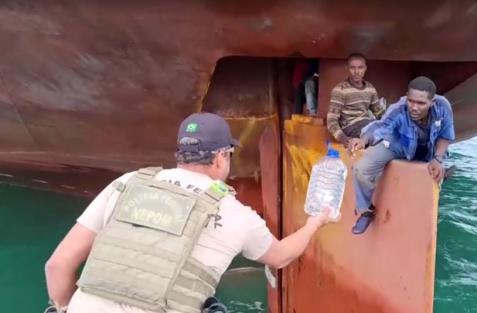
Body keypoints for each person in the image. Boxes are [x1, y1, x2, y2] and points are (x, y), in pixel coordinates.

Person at [44, 112, 337, 313]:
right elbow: (281, 255)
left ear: (179, 155)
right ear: (222, 157)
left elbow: (56, 266)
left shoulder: (128, 182)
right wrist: (314, 224)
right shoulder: (236, 213)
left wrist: (67, 308)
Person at [348, 76, 455, 235]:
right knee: (361, 168)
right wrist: (364, 140)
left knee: (435, 174)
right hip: (400, 144)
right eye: (411, 101)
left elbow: (445, 135)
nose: (414, 107)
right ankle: (365, 211)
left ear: (432, 103)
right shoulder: (398, 108)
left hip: (429, 147)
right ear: (406, 96)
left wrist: (438, 159)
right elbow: (380, 127)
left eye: (421, 103)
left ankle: (435, 198)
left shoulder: (443, 107)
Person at [326, 53, 385, 146]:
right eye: (352, 68)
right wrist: (343, 139)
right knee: (377, 134)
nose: (356, 71)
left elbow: (380, 113)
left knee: (389, 132)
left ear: (365, 68)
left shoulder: (370, 88)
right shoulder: (340, 90)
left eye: (360, 67)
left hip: (368, 124)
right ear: (347, 68)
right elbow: (331, 120)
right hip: (350, 127)